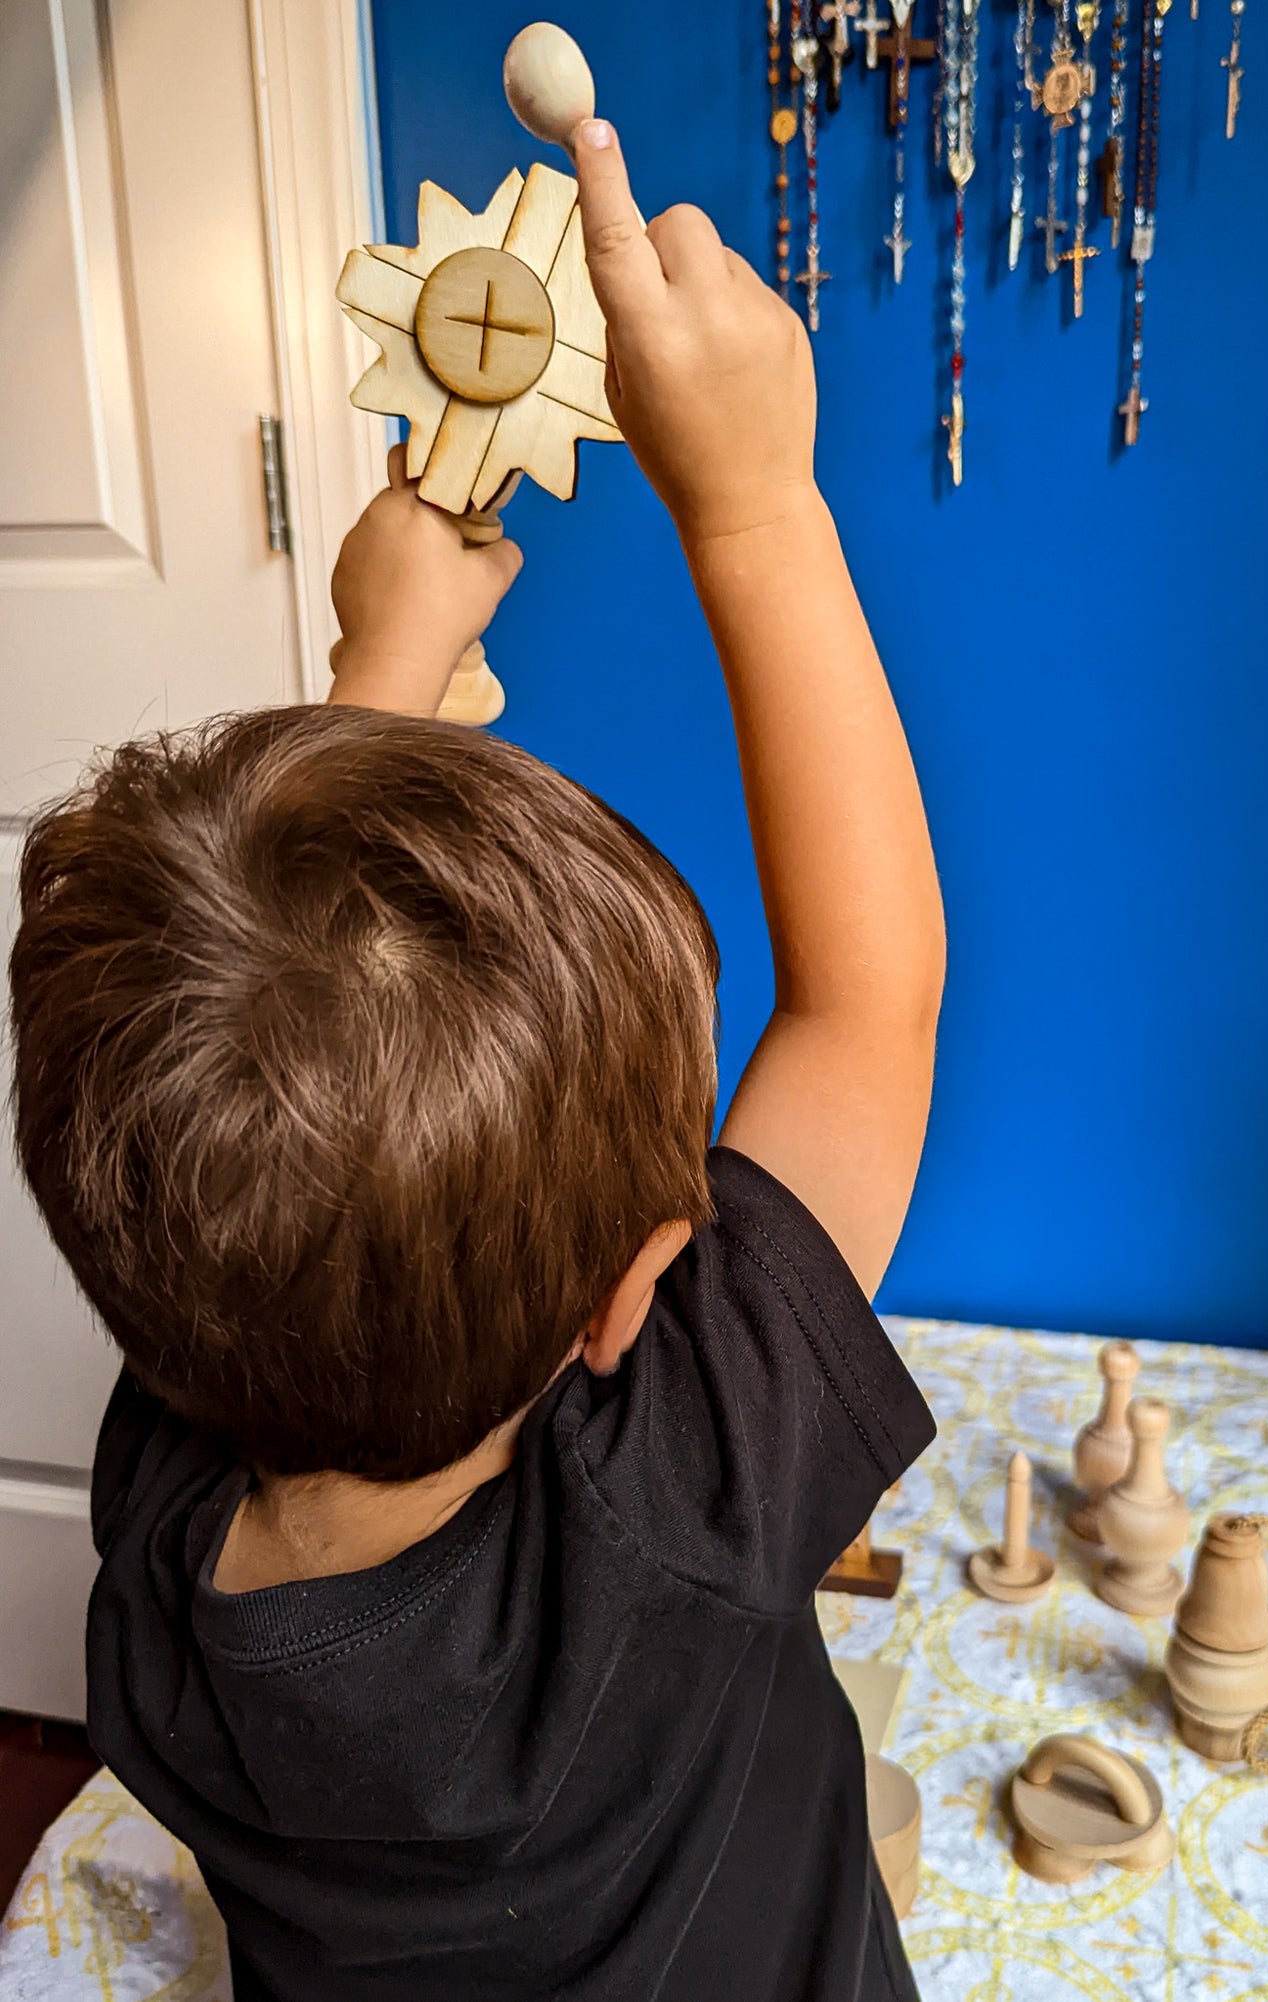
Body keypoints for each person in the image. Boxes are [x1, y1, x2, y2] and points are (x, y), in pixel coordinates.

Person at [9, 117, 945, 2002]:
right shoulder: (679, 1508)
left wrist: (386, 649)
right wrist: (756, 501)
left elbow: (254, 1021)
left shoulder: (165, 1543)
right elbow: (864, 1002)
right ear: (626, 1306)